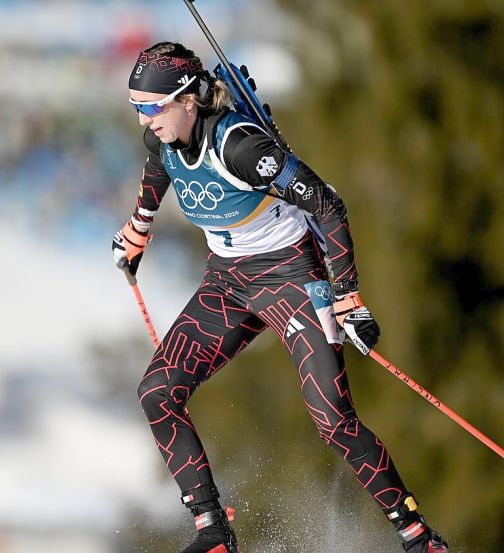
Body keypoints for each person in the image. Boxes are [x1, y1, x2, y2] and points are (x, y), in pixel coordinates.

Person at [113, 42, 449, 553]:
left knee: (332, 419)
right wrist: (139, 229)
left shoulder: (240, 148)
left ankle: (419, 537)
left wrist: (347, 299)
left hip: (291, 273)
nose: (145, 118)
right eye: (137, 107)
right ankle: (213, 532)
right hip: (227, 280)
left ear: (187, 100)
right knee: (156, 393)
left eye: (153, 107)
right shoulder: (163, 135)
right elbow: (160, 167)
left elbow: (329, 206)